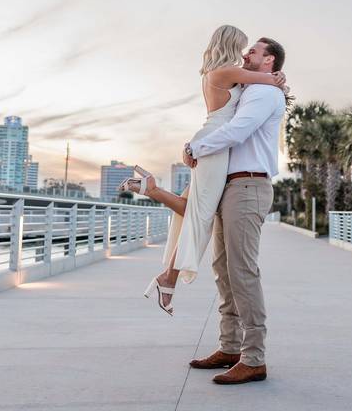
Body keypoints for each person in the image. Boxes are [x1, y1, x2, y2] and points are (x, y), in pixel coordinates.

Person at [118, 26, 286, 316]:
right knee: (200, 212)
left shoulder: (225, 75)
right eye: (244, 48)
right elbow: (269, 80)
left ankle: (152, 193)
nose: (246, 54)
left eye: (253, 51)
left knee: (195, 209)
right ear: (232, 45)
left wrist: (274, 80)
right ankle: (167, 274)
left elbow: (262, 84)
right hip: (213, 146)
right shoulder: (226, 72)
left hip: (209, 142)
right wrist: (278, 79)